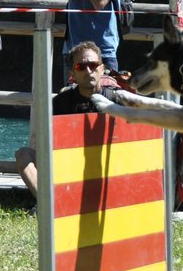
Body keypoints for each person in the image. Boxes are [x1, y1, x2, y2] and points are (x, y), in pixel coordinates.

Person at [15, 40, 114, 200]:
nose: (88, 71)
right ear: (72, 74)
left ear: (102, 69)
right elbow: (48, 144)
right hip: (68, 164)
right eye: (80, 66)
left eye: (93, 65)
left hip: (106, 165)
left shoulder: (117, 101)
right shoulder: (59, 103)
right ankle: (50, 205)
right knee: (23, 155)